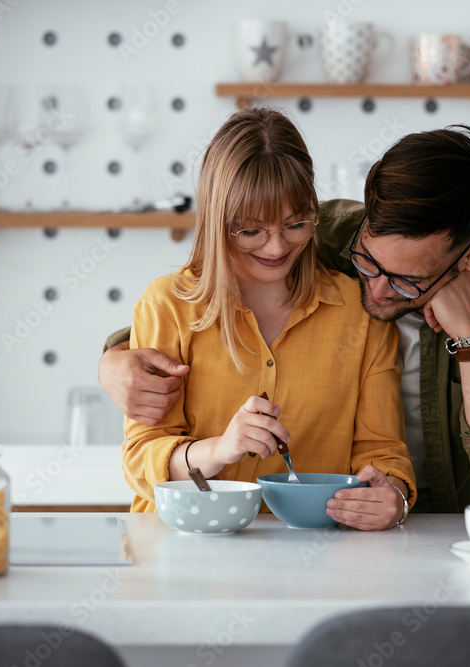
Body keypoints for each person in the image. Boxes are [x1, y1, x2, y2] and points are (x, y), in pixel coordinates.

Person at [103, 124, 470, 513]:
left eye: (407, 282)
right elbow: (183, 317)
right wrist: (112, 363)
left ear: (468, 257)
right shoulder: (322, 232)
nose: (374, 290)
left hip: (422, 513)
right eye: (367, 262)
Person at [120, 108, 416, 531]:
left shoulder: (359, 312)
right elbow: (140, 459)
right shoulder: (167, 305)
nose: (277, 247)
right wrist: (221, 449)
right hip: (182, 550)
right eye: (251, 231)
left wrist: (395, 496)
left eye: (296, 224)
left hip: (316, 554)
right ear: (217, 221)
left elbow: (382, 450)